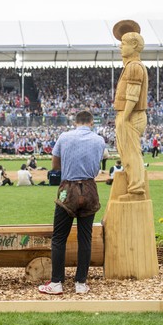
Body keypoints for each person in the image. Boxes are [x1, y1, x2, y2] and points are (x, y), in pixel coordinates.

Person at [38, 110, 105, 295]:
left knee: (59, 237)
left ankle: (57, 282)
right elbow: (98, 164)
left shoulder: (64, 137)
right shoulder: (99, 140)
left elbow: (54, 166)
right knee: (85, 238)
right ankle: (81, 283)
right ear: (91, 122)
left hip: (67, 189)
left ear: (75, 122)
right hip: (90, 188)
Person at [112, 20, 148, 201]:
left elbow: (132, 96)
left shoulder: (134, 67)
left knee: (132, 153)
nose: (120, 47)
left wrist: (124, 118)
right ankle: (133, 186)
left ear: (134, 45)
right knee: (127, 153)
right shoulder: (131, 65)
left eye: (123, 44)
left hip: (131, 115)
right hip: (128, 115)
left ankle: (136, 189)